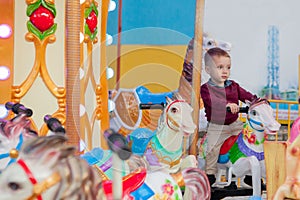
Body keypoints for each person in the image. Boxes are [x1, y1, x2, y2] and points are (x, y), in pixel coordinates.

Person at [200, 47, 257, 185]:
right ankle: (210, 173)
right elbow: (213, 102)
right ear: (208, 70)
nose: (225, 71)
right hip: (217, 126)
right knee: (212, 148)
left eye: (228, 67)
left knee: (250, 141)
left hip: (235, 123)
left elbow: (246, 95)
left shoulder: (234, 86)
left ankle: (251, 173)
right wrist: (227, 104)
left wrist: (256, 101)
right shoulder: (206, 88)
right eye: (220, 67)